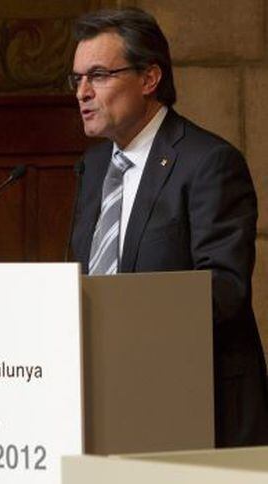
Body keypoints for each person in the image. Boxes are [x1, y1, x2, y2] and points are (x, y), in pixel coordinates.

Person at [70, 7, 268, 447]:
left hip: (196, 400)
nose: (82, 92)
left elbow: (224, 288)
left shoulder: (208, 163)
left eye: (98, 75)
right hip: (106, 395)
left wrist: (124, 325)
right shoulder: (94, 165)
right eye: (77, 78)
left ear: (149, 78)